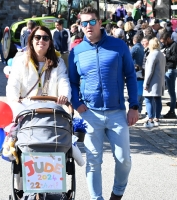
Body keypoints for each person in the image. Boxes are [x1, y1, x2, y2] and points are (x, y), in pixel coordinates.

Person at [69, 7, 138, 200]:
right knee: (93, 162)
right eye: (84, 23)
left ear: (100, 23)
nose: (88, 26)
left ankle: (117, 194)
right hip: (91, 114)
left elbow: (131, 76)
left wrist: (134, 106)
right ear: (80, 26)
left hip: (117, 113)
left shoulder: (119, 46)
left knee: (124, 160)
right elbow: (72, 82)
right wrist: (76, 102)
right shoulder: (77, 52)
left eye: (92, 22)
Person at [6, 25, 71, 104]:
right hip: (27, 108)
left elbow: (63, 81)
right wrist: (14, 99)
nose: (41, 40)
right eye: (37, 37)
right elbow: (13, 83)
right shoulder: (21, 61)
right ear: (32, 40)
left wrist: (64, 95)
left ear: (50, 42)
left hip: (51, 109)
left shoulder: (58, 62)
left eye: (45, 38)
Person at [143, 38, 166, 127]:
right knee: (158, 100)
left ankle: (150, 119)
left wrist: (146, 83)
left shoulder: (152, 55)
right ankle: (157, 118)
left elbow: (149, 71)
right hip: (159, 80)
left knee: (148, 100)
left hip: (152, 81)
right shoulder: (161, 54)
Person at [160, 32, 177, 119]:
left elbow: (175, 58)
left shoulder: (174, 45)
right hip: (166, 70)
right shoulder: (167, 46)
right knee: (166, 91)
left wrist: (166, 56)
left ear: (168, 39)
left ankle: (172, 111)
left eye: (164, 41)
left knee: (172, 92)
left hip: (171, 70)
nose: (163, 43)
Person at [131, 34, 145, 117]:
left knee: (137, 92)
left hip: (136, 71)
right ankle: (139, 110)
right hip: (141, 72)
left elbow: (128, 57)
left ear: (134, 40)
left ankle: (137, 110)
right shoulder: (142, 47)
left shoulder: (135, 48)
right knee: (140, 91)